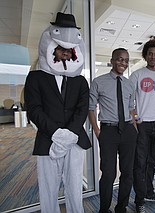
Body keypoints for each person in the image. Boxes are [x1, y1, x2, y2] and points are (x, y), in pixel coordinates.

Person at [24, 12, 91, 212]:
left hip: (75, 140)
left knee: (74, 188)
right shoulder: (35, 77)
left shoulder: (80, 81)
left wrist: (69, 134)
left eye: (69, 50)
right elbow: (34, 110)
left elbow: (82, 109)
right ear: (52, 47)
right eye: (61, 48)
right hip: (47, 140)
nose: (65, 53)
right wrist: (56, 134)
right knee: (48, 189)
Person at [88, 48, 138, 213]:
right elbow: (90, 108)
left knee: (128, 173)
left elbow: (131, 109)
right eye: (119, 59)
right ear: (112, 60)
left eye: (125, 60)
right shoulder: (98, 81)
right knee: (108, 174)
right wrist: (97, 132)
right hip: (108, 132)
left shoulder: (130, 84)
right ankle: (104, 209)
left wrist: (134, 129)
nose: (122, 63)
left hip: (128, 131)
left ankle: (121, 208)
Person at [129, 39, 155, 213]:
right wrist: (134, 118)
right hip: (142, 124)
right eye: (150, 54)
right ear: (145, 56)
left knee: (151, 162)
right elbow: (128, 100)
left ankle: (149, 192)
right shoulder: (137, 75)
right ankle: (139, 200)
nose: (153, 56)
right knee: (140, 163)